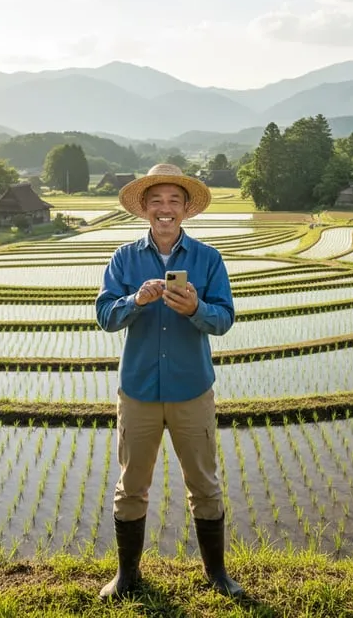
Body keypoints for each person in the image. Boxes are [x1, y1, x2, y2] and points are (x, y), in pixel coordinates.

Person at [95, 163, 243, 600]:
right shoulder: (124, 258)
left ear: (185, 209)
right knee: (132, 486)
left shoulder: (208, 259)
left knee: (205, 484)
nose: (165, 209)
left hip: (191, 390)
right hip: (138, 390)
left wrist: (196, 307)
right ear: (144, 208)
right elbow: (105, 316)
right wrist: (135, 300)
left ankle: (217, 573)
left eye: (173, 201)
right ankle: (127, 577)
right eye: (156, 201)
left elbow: (224, 320)